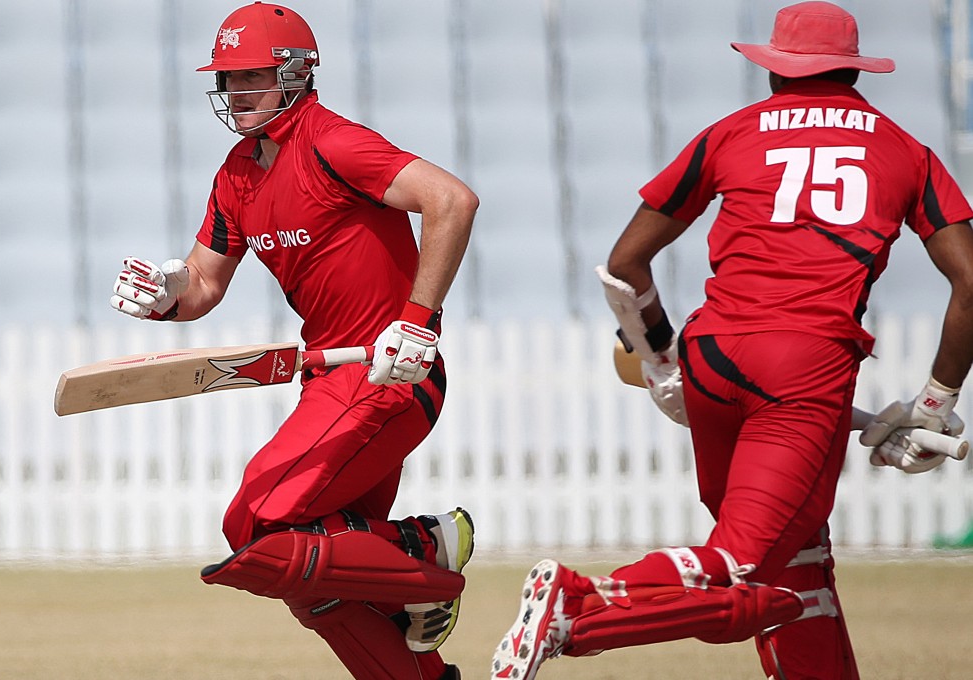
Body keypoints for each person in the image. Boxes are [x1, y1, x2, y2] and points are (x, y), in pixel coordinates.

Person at [490, 3, 973, 679]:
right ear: (853, 73)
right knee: (737, 569)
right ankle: (579, 603)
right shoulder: (904, 149)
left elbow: (625, 264)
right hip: (806, 366)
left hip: (712, 358)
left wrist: (662, 361)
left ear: (776, 70)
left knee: (789, 574)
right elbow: (971, 280)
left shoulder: (729, 133)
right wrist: (933, 403)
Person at [110, 4, 479, 679]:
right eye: (228, 80)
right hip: (333, 383)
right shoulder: (237, 174)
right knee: (312, 582)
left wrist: (419, 320)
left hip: (389, 375)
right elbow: (203, 283)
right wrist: (167, 294)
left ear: (297, 72)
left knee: (257, 522)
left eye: (251, 77)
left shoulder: (336, 143)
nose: (236, 93)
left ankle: (424, 545)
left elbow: (451, 200)